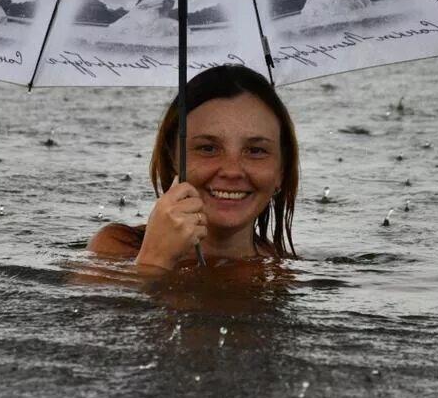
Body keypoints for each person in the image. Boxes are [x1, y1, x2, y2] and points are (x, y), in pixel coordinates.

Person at [88, 64, 299, 278]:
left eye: (255, 151)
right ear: (173, 158)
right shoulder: (115, 250)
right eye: (208, 148)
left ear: (281, 170)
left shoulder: (283, 274)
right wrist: (154, 261)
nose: (232, 171)